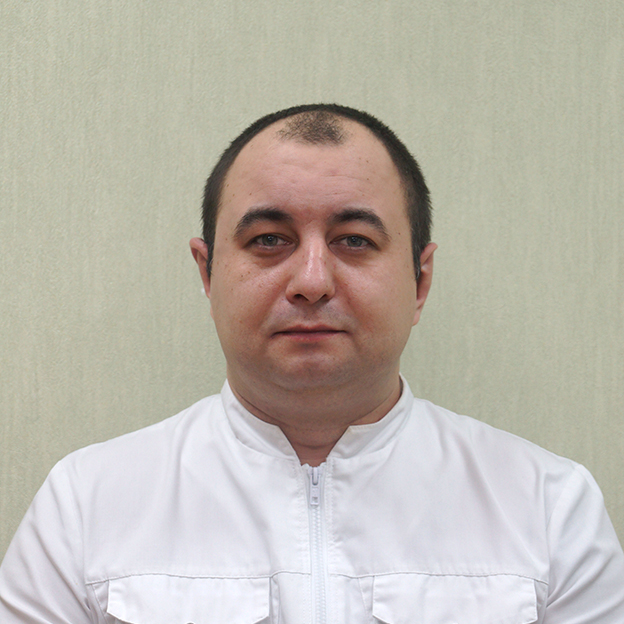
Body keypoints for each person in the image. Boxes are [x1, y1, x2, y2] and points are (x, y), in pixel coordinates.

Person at [1, 104, 622, 623]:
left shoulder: (548, 506)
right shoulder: (86, 504)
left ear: (421, 280)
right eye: (269, 240)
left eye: (355, 240)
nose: (312, 281)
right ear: (207, 273)